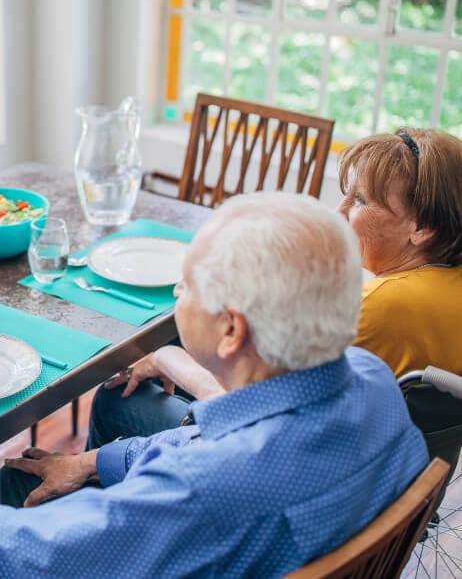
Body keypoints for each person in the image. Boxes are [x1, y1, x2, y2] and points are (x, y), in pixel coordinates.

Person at [0, 191, 428, 578]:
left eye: (188, 285)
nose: (177, 296)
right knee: (20, 483)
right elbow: (212, 436)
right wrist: (93, 463)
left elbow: (21, 557)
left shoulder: (199, 491)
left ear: (231, 330)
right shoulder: (373, 379)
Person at [89, 127, 462, 447]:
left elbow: (251, 407)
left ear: (422, 228)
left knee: (115, 398)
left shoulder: (382, 305)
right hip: (389, 465)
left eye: (361, 200)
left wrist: (159, 357)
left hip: (290, 454)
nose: (339, 211)